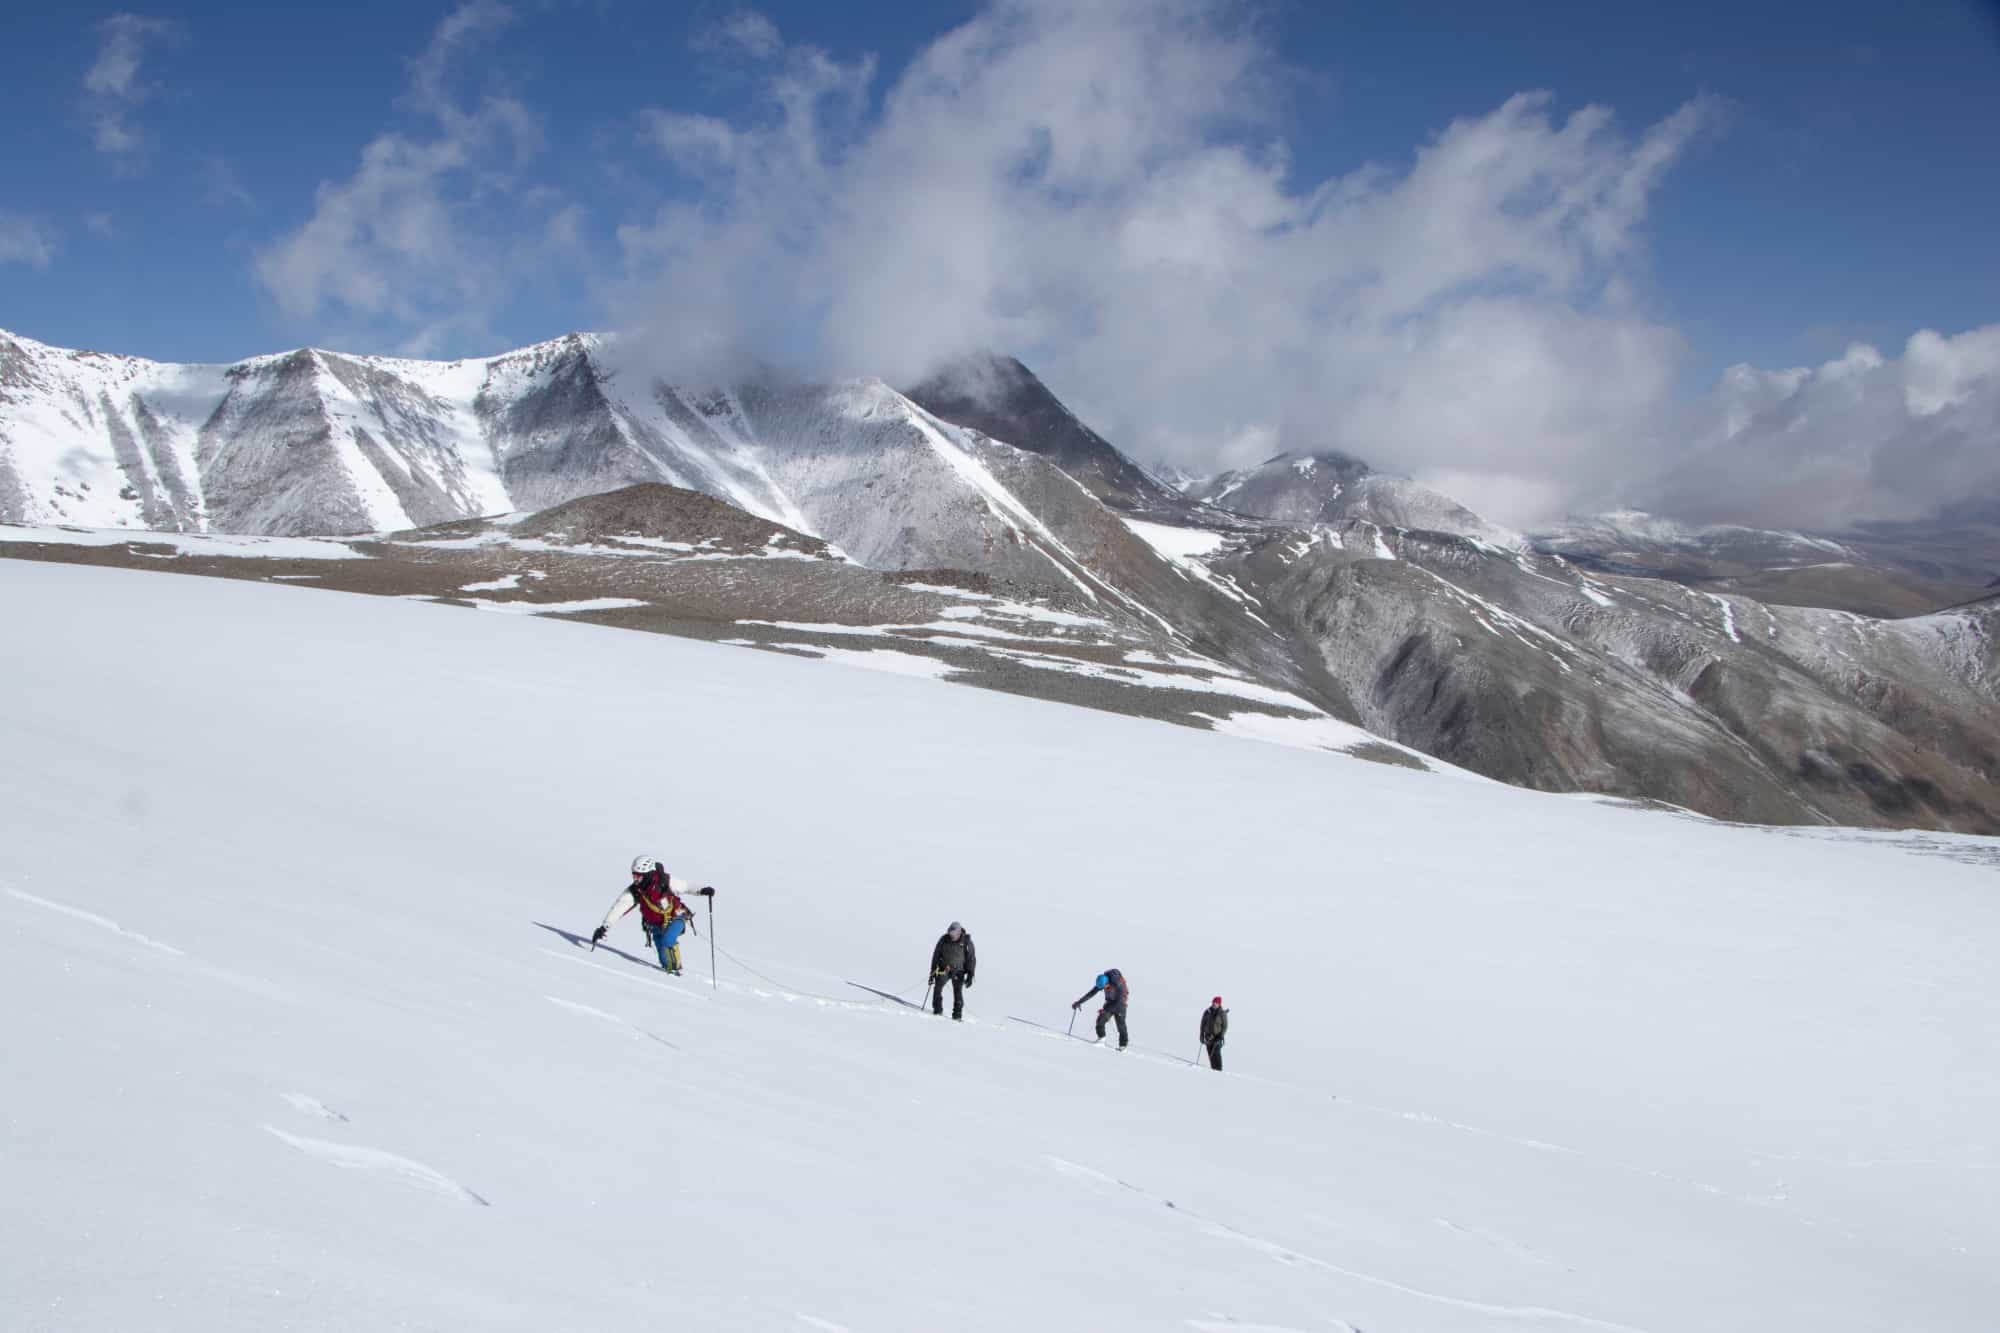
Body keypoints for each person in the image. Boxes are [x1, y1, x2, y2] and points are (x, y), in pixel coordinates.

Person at [592, 855, 694, 974]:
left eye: (638, 875)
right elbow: (619, 908)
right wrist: (604, 927)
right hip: (655, 927)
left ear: (647, 874)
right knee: (664, 960)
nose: (635, 878)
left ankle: (678, 973)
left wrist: (702, 890)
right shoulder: (635, 891)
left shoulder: (665, 880)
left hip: (676, 917)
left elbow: (686, 887)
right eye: (634, 874)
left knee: (668, 940)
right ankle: (670, 971)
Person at [928, 921, 976, 1020]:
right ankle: (937, 1010)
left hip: (959, 971)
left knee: (957, 992)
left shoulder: (966, 942)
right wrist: (932, 972)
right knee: (937, 988)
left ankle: (957, 1015)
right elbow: (936, 955)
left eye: (953, 934)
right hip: (944, 969)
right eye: (950, 933)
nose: (951, 936)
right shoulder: (943, 939)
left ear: (959, 933)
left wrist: (971, 974)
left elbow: (971, 958)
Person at [1072, 968, 1130, 1049]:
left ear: (1108, 982)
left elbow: (1119, 1002)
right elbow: (1091, 993)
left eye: (1104, 987)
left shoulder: (1119, 985)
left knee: (1121, 1025)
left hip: (1120, 1004)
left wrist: (1106, 1010)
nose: (1103, 989)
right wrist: (1079, 1002)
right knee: (1101, 1019)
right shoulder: (1102, 982)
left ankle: (1123, 1046)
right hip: (1110, 1002)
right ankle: (1101, 1039)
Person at [1200, 996, 1228, 1071]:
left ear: (1219, 1004)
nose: (1214, 1004)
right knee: (1210, 1054)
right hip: (1208, 1037)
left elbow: (1225, 1026)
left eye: (1216, 1003)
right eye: (1213, 1002)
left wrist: (1221, 1036)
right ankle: (1213, 1070)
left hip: (1217, 1037)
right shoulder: (1207, 1012)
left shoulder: (1222, 1013)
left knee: (1216, 1054)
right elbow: (1203, 1024)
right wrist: (1202, 1035)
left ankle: (1219, 1071)